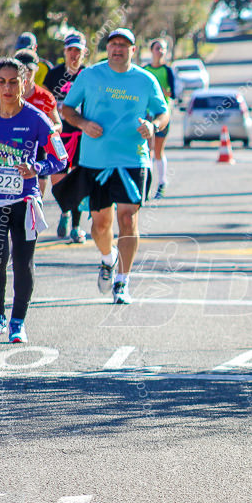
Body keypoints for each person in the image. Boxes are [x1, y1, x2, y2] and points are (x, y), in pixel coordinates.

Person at [57, 28, 169, 305]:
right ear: (107, 49)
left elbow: (163, 112)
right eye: (113, 44)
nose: (118, 48)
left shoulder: (145, 80)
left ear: (133, 50)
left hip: (133, 158)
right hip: (96, 161)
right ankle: (108, 259)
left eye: (124, 45)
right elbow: (67, 109)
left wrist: (152, 126)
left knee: (128, 218)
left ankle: (123, 281)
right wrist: (83, 124)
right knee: (100, 224)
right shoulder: (90, 75)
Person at [0, 58, 66, 343]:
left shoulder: (37, 118)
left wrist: (37, 168)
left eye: (13, 81)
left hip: (25, 200)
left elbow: (61, 158)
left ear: (24, 82)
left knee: (23, 262)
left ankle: (18, 321)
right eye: (1, 82)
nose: (7, 87)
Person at [43, 32, 88, 242]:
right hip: (59, 136)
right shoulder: (54, 75)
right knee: (58, 181)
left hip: (82, 135)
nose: (74, 54)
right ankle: (65, 211)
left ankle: (77, 227)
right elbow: (44, 101)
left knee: (79, 180)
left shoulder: (89, 75)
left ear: (84, 53)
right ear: (65, 52)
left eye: (78, 50)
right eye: (70, 50)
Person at [14, 50, 61, 204]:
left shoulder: (45, 97)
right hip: (10, 146)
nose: (26, 74)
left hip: (37, 148)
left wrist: (49, 130)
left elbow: (58, 124)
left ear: (37, 69)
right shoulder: (4, 93)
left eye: (30, 70)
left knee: (35, 196)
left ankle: (32, 217)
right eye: (22, 70)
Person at [141, 38, 177, 199]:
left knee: (158, 151)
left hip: (162, 115)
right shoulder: (145, 70)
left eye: (163, 49)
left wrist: (162, 92)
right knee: (147, 150)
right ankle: (146, 185)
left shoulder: (167, 71)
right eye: (157, 48)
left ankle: (162, 182)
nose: (160, 51)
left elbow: (174, 93)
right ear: (151, 50)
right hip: (147, 114)